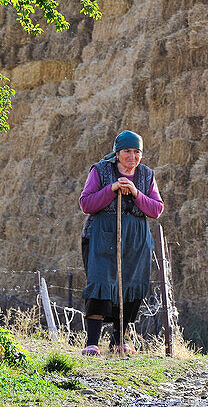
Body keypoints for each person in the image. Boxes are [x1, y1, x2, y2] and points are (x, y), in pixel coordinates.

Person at [79, 130, 163, 356]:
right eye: (127, 151)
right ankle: (92, 342)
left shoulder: (146, 175)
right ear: (117, 153)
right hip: (102, 236)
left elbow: (156, 209)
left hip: (135, 240)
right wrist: (111, 189)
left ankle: (119, 341)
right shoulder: (100, 171)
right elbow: (86, 204)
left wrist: (135, 193)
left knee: (130, 287)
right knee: (100, 284)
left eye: (137, 152)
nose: (132, 157)